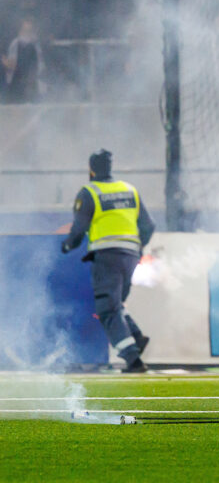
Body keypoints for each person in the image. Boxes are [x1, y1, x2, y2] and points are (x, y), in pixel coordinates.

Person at [61, 149, 155, 372]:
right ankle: (136, 337)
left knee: (107, 310)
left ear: (91, 169)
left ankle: (133, 359)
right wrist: (138, 248)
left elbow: (79, 228)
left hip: (106, 257)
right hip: (131, 256)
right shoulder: (129, 190)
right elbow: (148, 226)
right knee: (115, 304)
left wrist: (68, 245)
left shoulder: (90, 192)